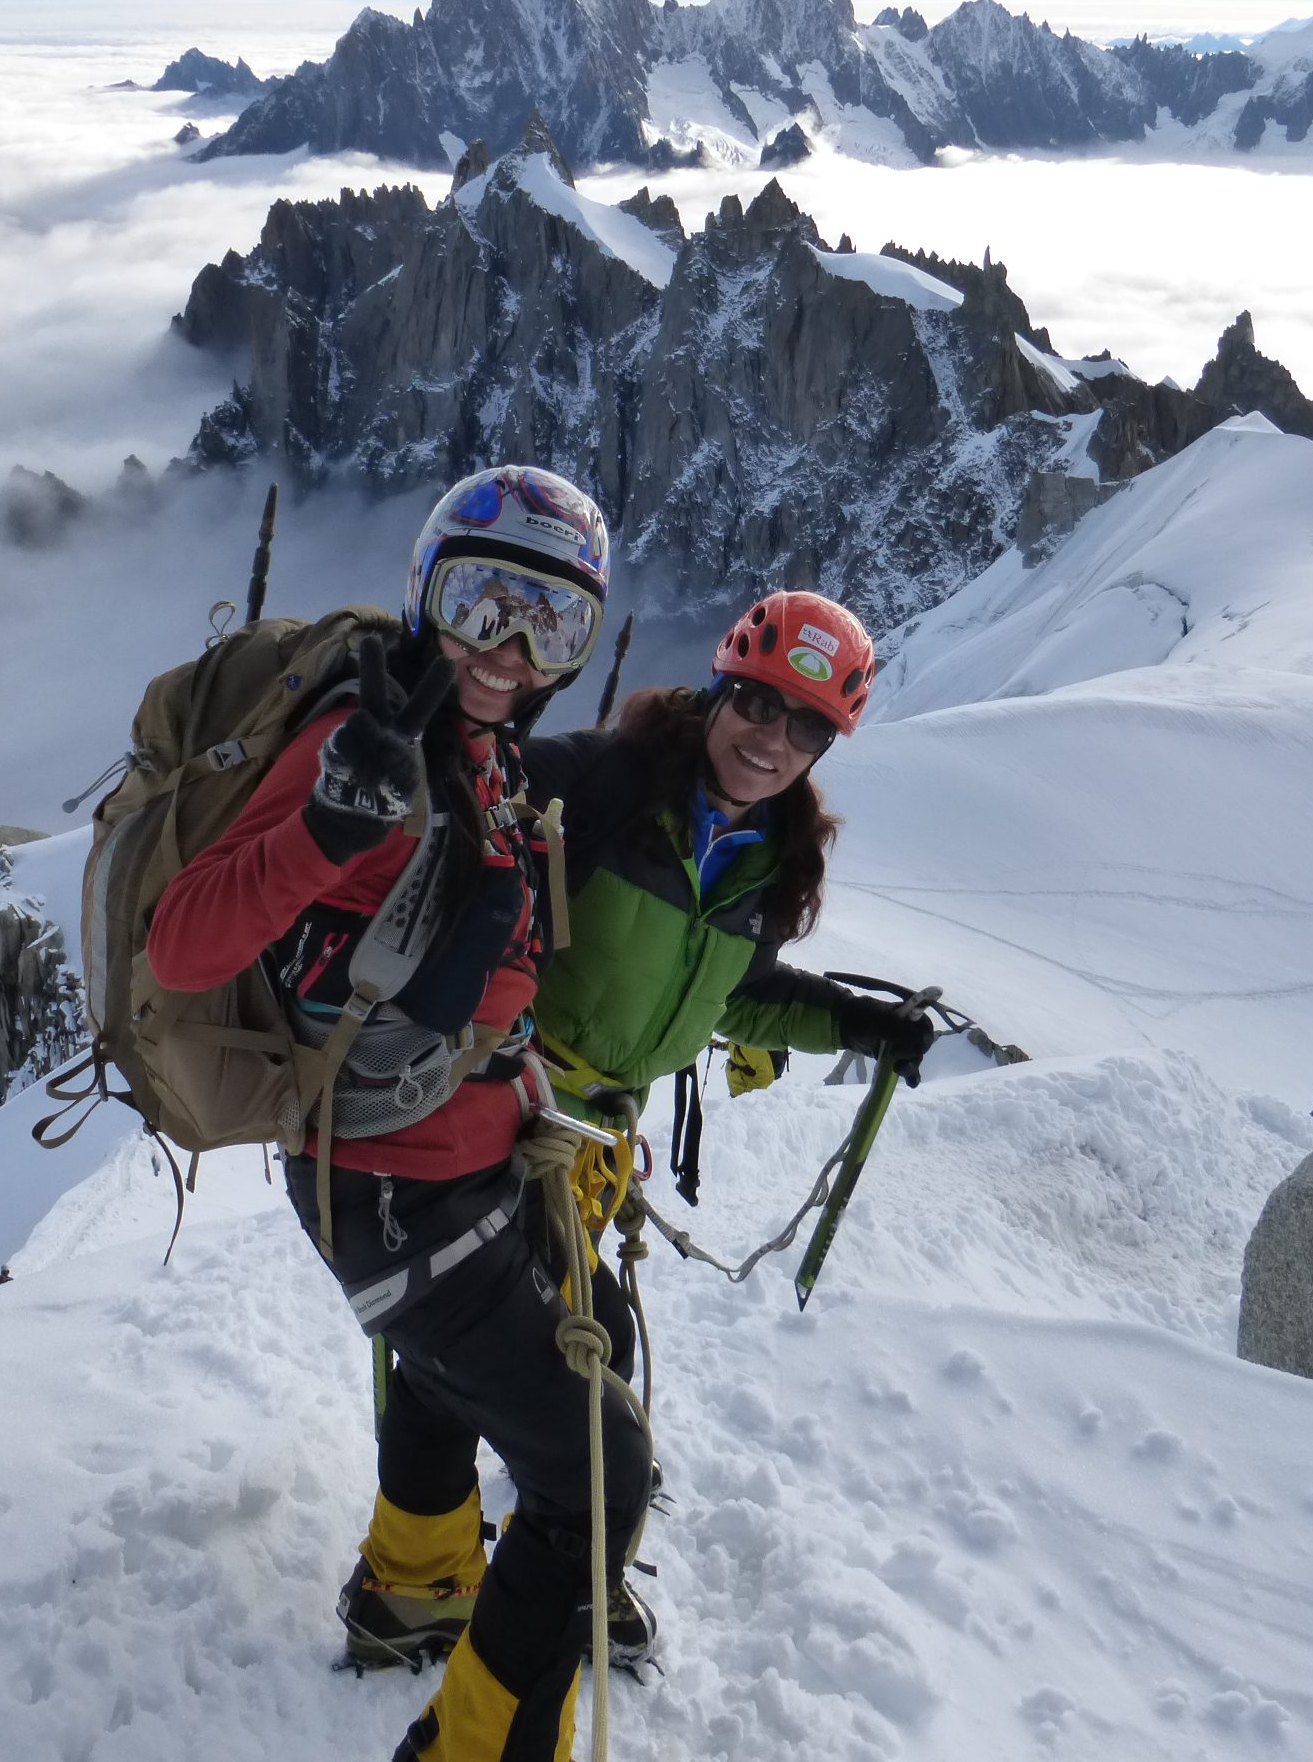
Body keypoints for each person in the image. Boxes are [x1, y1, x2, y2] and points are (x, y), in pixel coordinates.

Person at [338, 587, 939, 1681]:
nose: (774, 739)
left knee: (457, 1365)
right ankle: (532, 1573)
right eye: (759, 703)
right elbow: (456, 819)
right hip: (495, 1118)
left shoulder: (760, 856)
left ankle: (416, 1586)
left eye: (809, 726)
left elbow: (732, 998)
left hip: (585, 1149)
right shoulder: (598, 783)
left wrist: (855, 1021)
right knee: (571, 1365)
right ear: (721, 684)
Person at [145, 465, 644, 1762]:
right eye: (485, 606)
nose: (511, 652)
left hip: (462, 1149)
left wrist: (520, 1076)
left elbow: (466, 961)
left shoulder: (481, 745)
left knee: (589, 1325)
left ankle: (413, 1587)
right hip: (388, 1185)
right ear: (430, 594)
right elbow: (187, 945)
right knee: (603, 1475)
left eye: (551, 626)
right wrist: (320, 824)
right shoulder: (357, 743)